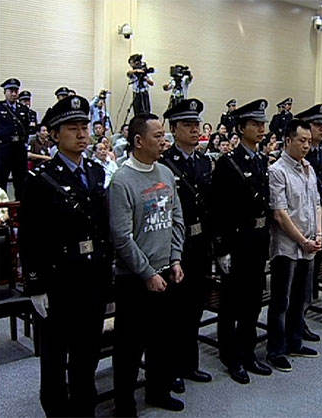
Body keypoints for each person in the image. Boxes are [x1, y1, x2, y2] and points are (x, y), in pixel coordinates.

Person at [20, 95, 113, 417]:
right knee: (55, 358)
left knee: (87, 353)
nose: (82, 134)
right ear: (55, 134)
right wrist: (35, 285)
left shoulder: (96, 172)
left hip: (93, 278)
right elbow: (30, 237)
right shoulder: (41, 178)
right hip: (59, 280)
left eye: (84, 127)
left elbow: (102, 227)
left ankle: (85, 408)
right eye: (72, 128)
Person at [109, 113, 186, 415]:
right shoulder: (122, 181)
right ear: (139, 141)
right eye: (158, 136)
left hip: (167, 271)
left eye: (164, 135)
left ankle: (158, 391)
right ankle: (124, 404)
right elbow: (121, 237)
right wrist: (147, 272)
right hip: (134, 278)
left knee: (162, 340)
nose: (164, 141)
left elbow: (176, 218)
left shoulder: (165, 173)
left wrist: (175, 258)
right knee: (129, 346)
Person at [211, 99, 273, 384]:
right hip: (236, 241)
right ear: (240, 128)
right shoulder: (228, 163)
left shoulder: (260, 160)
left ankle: (248, 352)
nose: (261, 129)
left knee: (253, 300)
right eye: (255, 124)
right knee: (231, 303)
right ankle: (230, 355)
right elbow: (219, 209)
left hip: (257, 240)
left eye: (263, 124)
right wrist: (222, 249)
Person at [160, 98, 213, 394]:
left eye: (197, 124)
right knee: (174, 312)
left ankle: (190, 363)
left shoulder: (204, 162)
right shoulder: (165, 164)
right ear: (174, 129)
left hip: (201, 243)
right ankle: (172, 369)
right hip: (177, 246)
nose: (195, 130)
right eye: (188, 125)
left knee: (195, 306)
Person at [266, 119, 321, 372]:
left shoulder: (309, 168)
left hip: (309, 243)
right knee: (281, 301)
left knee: (301, 297)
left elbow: (316, 204)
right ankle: (276, 349)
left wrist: (318, 234)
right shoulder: (278, 170)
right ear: (288, 140)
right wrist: (303, 241)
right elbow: (280, 214)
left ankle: (295, 341)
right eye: (301, 140)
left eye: (309, 141)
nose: (306, 145)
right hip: (288, 245)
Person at [295, 103, 322, 342]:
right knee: (297, 280)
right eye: (317, 125)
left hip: (319, 220)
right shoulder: (298, 155)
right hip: (299, 224)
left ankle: (302, 318)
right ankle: (295, 322)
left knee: (310, 275)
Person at [0, 78, 30, 200]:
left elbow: (27, 129)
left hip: (19, 149)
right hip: (4, 149)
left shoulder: (23, 109)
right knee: (1, 180)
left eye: (16, 91)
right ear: (5, 92)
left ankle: (21, 206)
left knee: (21, 180)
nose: (14, 93)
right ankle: (2, 207)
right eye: (11, 91)